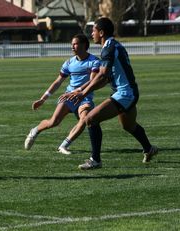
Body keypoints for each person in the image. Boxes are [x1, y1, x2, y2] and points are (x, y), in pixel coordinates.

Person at [61, 17, 158, 170]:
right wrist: (81, 90)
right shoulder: (112, 45)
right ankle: (149, 149)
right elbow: (104, 79)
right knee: (128, 125)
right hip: (128, 92)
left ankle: (95, 160)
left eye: (93, 31)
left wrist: (83, 93)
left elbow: (102, 75)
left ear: (101, 32)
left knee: (90, 119)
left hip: (125, 93)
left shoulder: (109, 48)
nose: (91, 34)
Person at [24, 34, 100, 154]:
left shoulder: (94, 61)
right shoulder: (69, 63)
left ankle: (63, 146)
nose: (72, 47)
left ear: (84, 45)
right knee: (54, 122)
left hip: (85, 97)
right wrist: (43, 99)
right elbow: (58, 81)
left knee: (84, 120)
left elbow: (92, 81)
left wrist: (78, 91)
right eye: (72, 44)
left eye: (75, 44)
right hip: (68, 97)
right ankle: (35, 130)